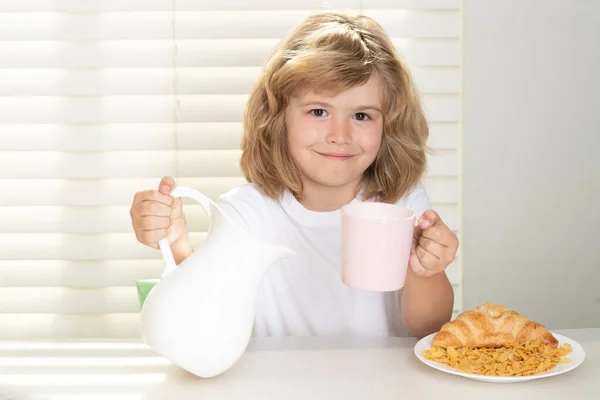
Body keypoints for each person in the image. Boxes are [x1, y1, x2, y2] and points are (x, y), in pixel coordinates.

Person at [130, 11, 459, 339]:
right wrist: (175, 243)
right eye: (319, 111)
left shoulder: (402, 204)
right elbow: (202, 312)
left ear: (389, 124)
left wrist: (427, 270)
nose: (339, 135)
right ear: (278, 118)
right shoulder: (246, 214)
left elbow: (428, 328)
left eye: (361, 115)